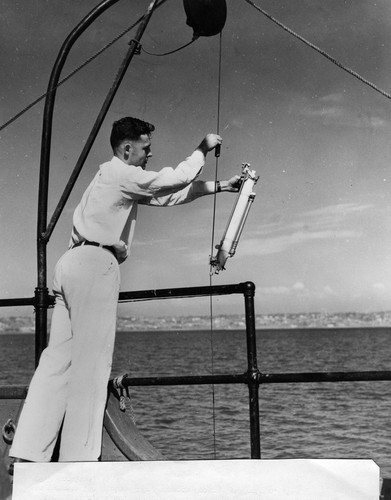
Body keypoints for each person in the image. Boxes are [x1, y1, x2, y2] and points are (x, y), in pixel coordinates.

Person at [9, 116, 241, 463]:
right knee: (91, 368)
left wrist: (221, 186)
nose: (149, 155)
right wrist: (202, 148)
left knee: (56, 363)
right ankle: (79, 463)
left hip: (70, 264)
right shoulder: (122, 174)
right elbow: (173, 179)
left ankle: (27, 454)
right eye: (146, 149)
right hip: (94, 267)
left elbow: (172, 195)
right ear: (127, 148)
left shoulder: (112, 178)